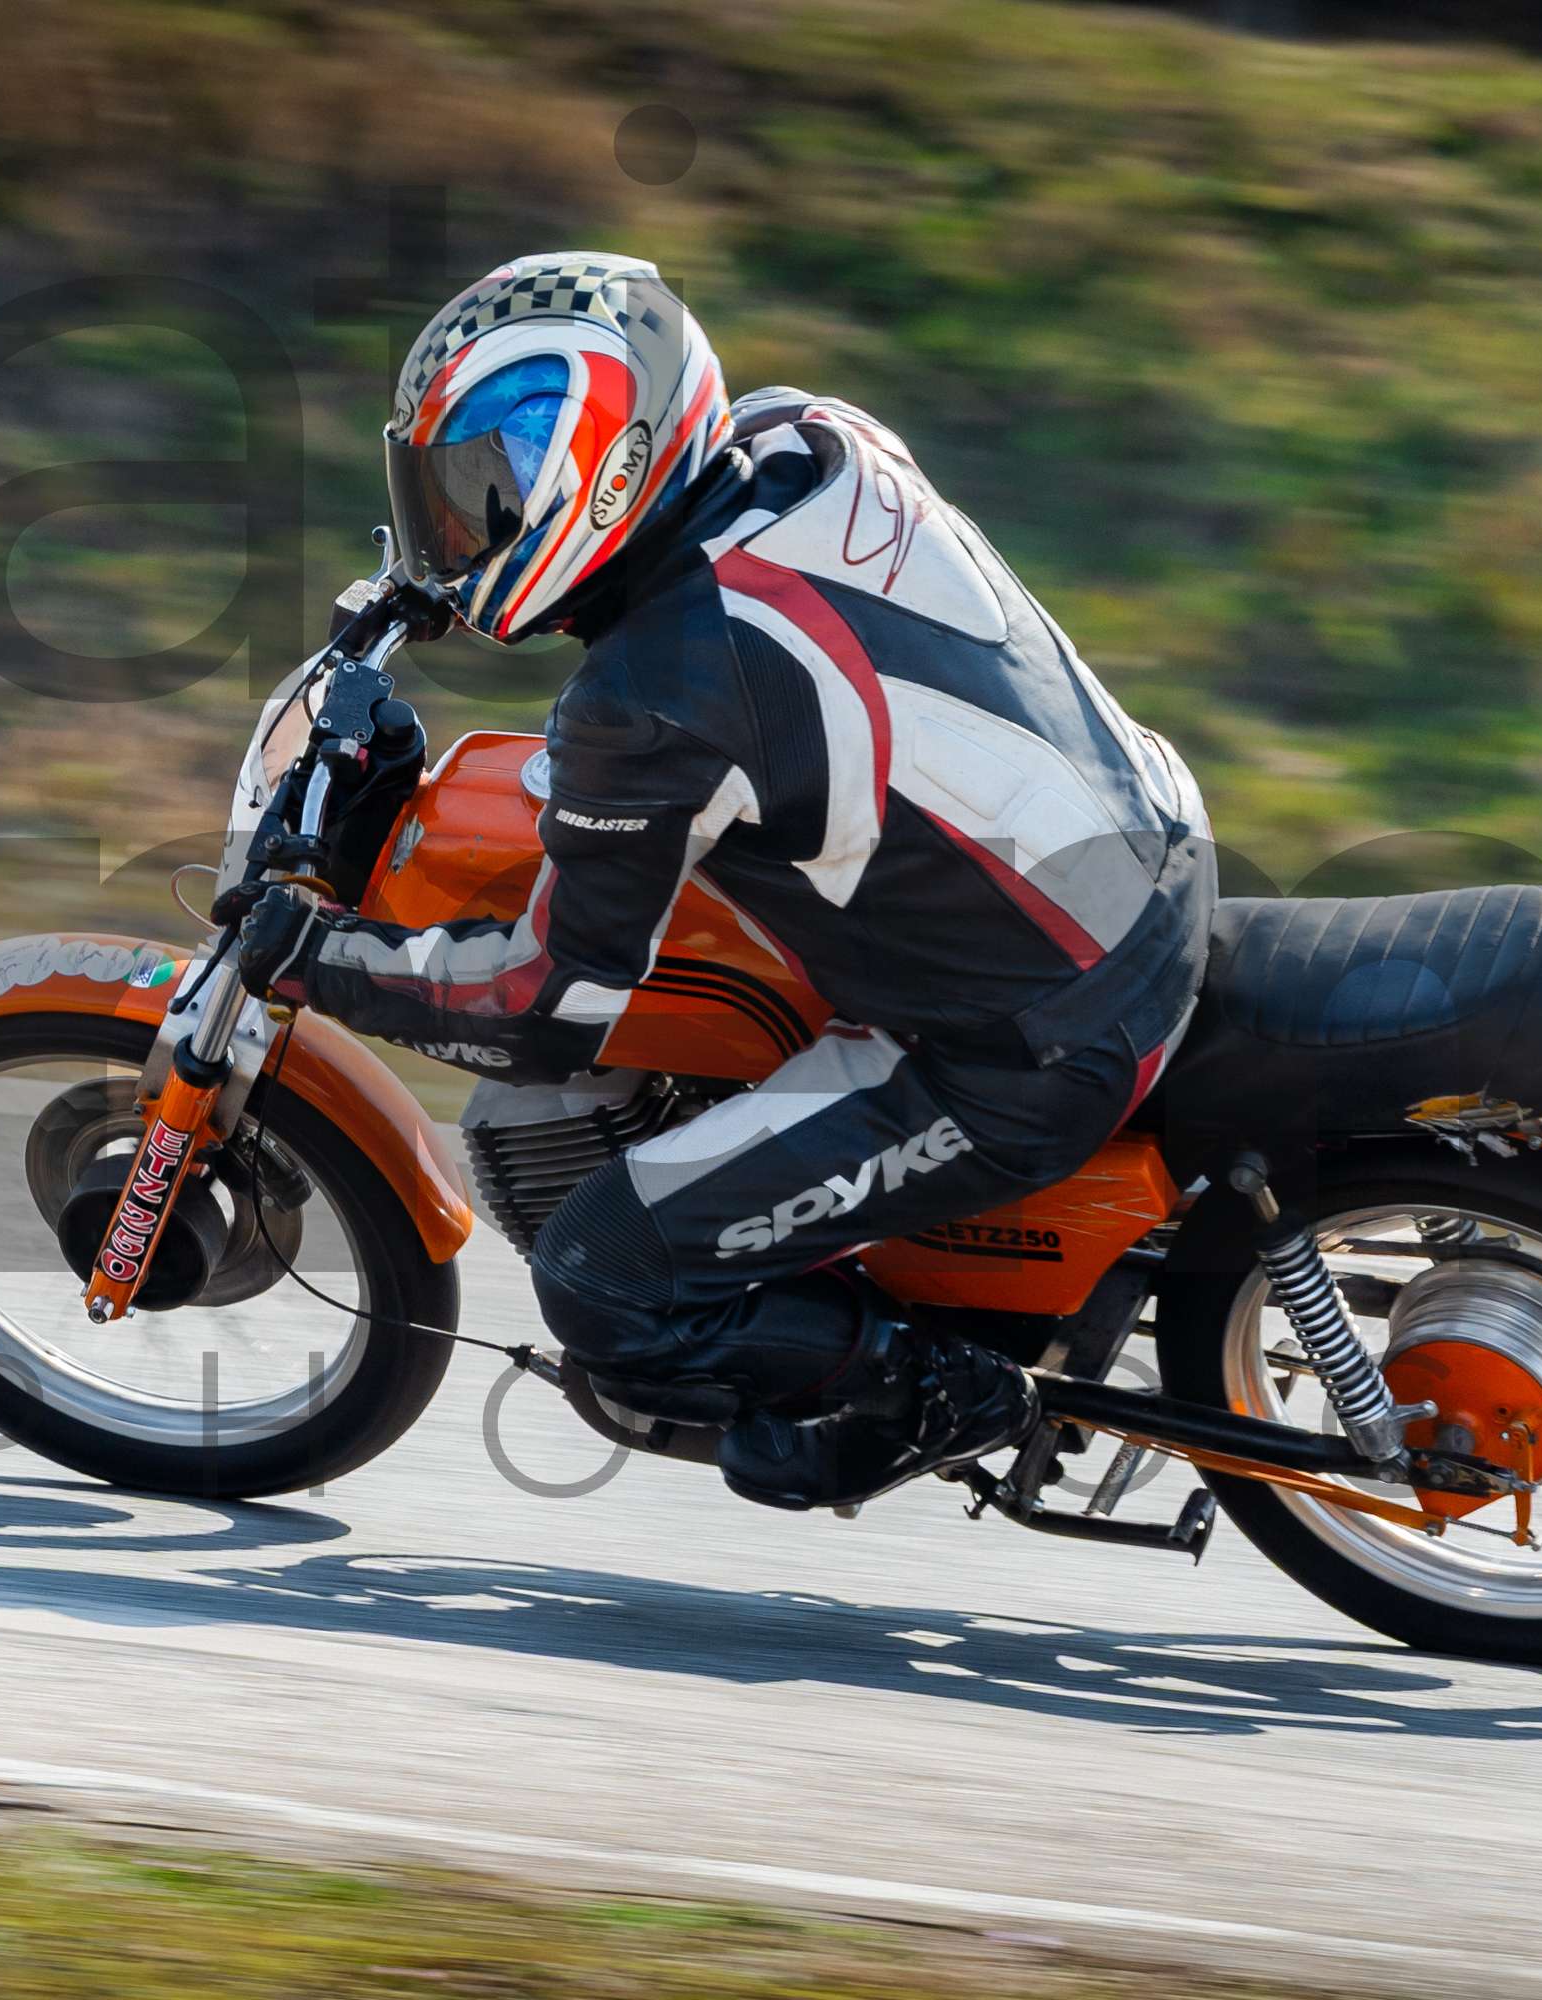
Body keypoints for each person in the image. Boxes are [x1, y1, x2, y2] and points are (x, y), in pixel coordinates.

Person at [235, 252, 1212, 1510]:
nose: (460, 530)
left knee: (601, 1274)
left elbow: (545, 1006)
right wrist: (425, 586)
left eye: (486, 495)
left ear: (606, 471)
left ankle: (938, 1392)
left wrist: (319, 960)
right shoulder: (805, 436)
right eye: (440, 500)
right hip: (1148, 845)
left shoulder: (652, 699)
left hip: (1034, 1046)